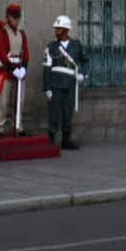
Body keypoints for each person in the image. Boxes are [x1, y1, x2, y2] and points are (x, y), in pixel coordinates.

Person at [43, 15, 87, 150]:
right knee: (54, 114)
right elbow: (46, 68)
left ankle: (66, 140)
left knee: (68, 114)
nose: (56, 30)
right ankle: (51, 139)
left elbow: (85, 61)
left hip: (70, 85)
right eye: (56, 28)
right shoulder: (51, 47)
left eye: (59, 28)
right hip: (55, 85)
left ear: (66, 29)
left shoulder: (76, 45)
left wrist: (82, 74)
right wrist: (47, 88)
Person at [0, 4, 30, 137]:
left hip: (19, 71)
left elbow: (26, 53)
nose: (16, 20)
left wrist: (24, 68)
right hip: (6, 71)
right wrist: (13, 69)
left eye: (17, 17)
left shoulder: (22, 33)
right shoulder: (0, 33)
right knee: (3, 101)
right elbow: (1, 54)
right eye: (13, 17)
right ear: (8, 17)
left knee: (19, 101)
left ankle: (18, 125)